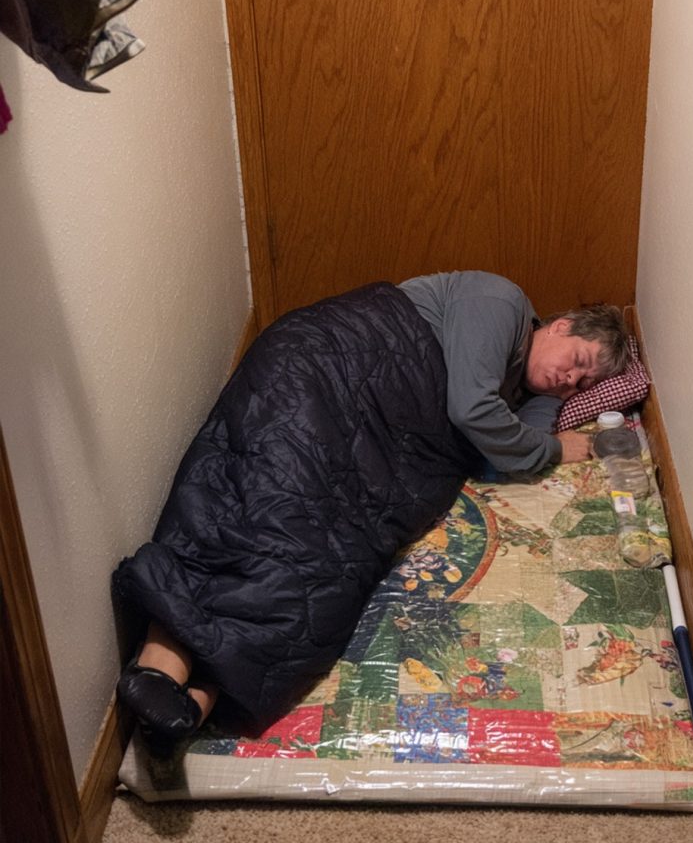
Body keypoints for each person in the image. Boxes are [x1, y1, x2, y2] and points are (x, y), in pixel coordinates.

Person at [114, 272, 629, 754]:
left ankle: (192, 701)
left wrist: (551, 413)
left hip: (382, 452)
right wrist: (555, 450)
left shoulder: (527, 392)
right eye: (579, 359)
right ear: (560, 325)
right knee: (262, 508)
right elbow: (474, 411)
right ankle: (159, 666)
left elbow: (511, 447)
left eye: (584, 385)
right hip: (325, 367)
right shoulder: (500, 302)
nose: (572, 380)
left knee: (325, 569)